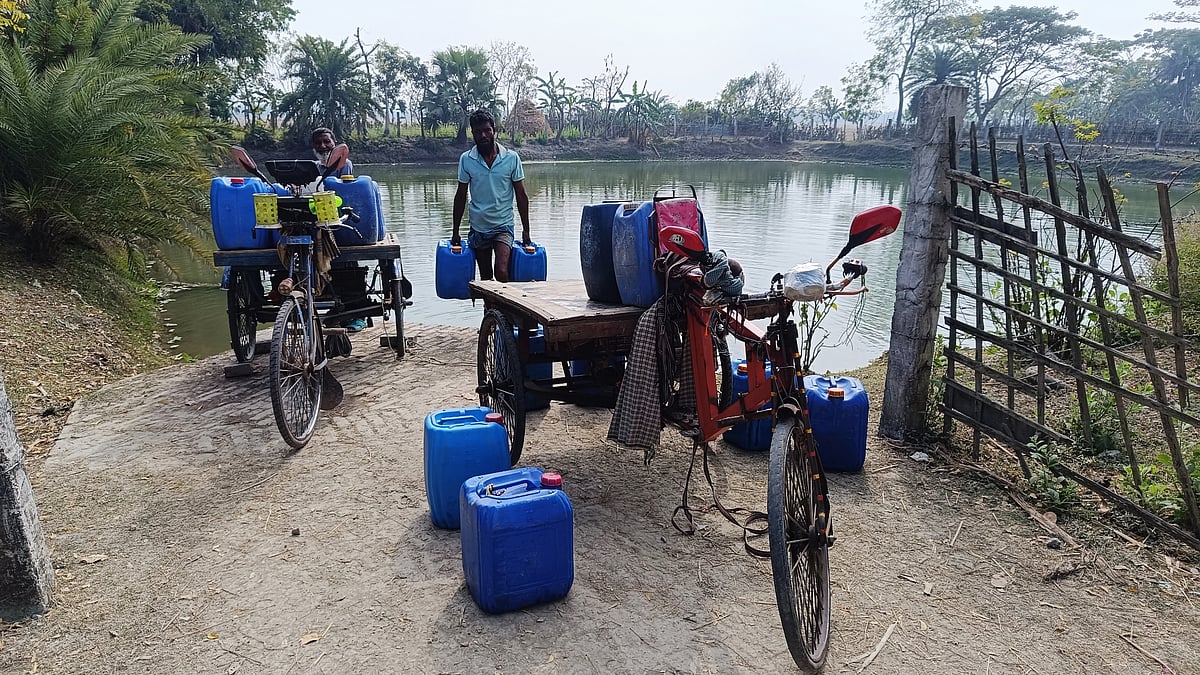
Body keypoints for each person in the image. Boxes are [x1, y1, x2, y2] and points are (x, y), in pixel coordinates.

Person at [451, 109, 531, 283]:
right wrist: (455, 231)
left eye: (487, 130)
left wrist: (526, 230)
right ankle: (490, 310)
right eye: (478, 132)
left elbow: (521, 195)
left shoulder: (511, 158)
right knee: (486, 279)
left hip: (503, 225)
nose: (483, 135)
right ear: (473, 134)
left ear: (494, 130)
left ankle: (506, 310)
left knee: (501, 272)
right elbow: (460, 196)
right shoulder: (467, 159)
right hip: (479, 227)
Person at [312, 127, 368, 333]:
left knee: (348, 266)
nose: (323, 146)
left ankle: (355, 314)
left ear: (335, 143)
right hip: (316, 223)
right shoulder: (311, 168)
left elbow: (346, 193)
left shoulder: (345, 165)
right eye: (318, 143)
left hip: (340, 220)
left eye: (327, 142)